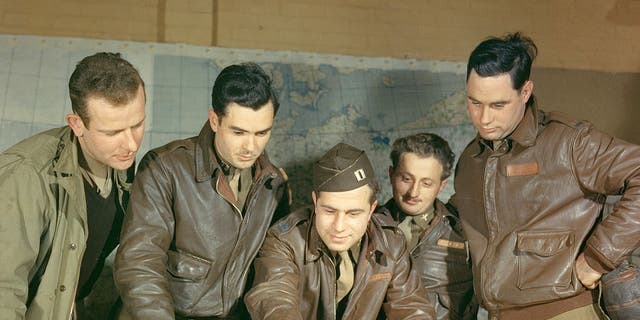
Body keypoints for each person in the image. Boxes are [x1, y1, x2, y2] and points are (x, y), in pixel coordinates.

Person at [449, 32, 640, 319]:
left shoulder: (569, 142)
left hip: (564, 310)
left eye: (498, 105)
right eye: (475, 103)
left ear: (525, 92)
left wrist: (599, 258)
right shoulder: (469, 161)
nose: (484, 118)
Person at [114, 62, 290, 319]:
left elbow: (273, 270)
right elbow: (140, 263)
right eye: (239, 132)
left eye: (262, 133)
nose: (251, 146)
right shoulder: (164, 168)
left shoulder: (274, 186)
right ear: (214, 120)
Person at [0, 52, 146, 319]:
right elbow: (4, 290)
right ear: (77, 124)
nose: (131, 144)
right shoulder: (26, 177)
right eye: (112, 133)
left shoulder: (121, 166)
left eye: (137, 125)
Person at [245, 142, 434, 320]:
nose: (339, 226)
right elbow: (273, 298)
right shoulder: (284, 240)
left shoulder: (391, 242)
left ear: (371, 209)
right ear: (315, 202)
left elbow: (411, 308)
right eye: (329, 210)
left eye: (353, 213)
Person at [380, 133, 477, 319]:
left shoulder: (466, 232)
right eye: (406, 179)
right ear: (391, 174)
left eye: (426, 183)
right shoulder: (365, 230)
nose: (413, 192)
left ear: (441, 186)